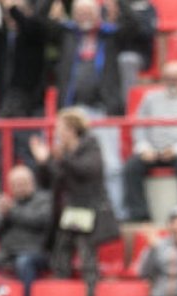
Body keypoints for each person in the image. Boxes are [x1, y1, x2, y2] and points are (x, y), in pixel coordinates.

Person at [50, 0, 140, 218]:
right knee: (62, 162)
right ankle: (63, 214)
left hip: (102, 110)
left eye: (89, 11)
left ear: (98, 14)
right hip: (70, 112)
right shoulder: (67, 35)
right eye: (79, 12)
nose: (84, 16)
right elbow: (37, 24)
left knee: (111, 165)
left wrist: (119, 3)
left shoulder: (109, 37)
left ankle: (115, 212)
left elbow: (132, 26)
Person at [31, 107, 121, 296]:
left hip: (88, 211)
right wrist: (44, 162)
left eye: (60, 128)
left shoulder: (90, 146)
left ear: (71, 129)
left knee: (87, 260)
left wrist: (63, 157)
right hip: (67, 213)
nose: (57, 133)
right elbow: (49, 181)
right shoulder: (62, 152)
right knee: (60, 257)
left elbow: (88, 170)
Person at [0, 0, 52, 179]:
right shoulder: (1, 37)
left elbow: (28, 27)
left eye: (17, 12)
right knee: (2, 157)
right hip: (1, 107)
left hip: (29, 109)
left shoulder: (36, 33)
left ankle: (35, 203)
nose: (12, 15)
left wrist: (12, 6)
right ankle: (5, 201)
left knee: (30, 156)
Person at [123, 61, 177, 221]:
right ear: (162, 78)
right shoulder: (150, 99)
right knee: (131, 167)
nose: (173, 81)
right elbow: (139, 125)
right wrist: (144, 147)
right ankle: (140, 215)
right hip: (152, 151)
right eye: (169, 77)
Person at [0, 165, 52, 296]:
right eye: (15, 185)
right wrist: (4, 216)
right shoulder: (11, 205)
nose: (19, 188)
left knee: (23, 262)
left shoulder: (43, 200)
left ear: (32, 182)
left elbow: (40, 221)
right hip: (8, 253)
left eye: (22, 183)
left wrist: (12, 212)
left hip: (36, 253)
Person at [118, 0, 158, 104]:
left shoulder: (148, 8)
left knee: (127, 59)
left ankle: (128, 105)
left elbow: (147, 33)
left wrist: (130, 15)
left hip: (140, 54)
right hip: (113, 52)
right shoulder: (114, 6)